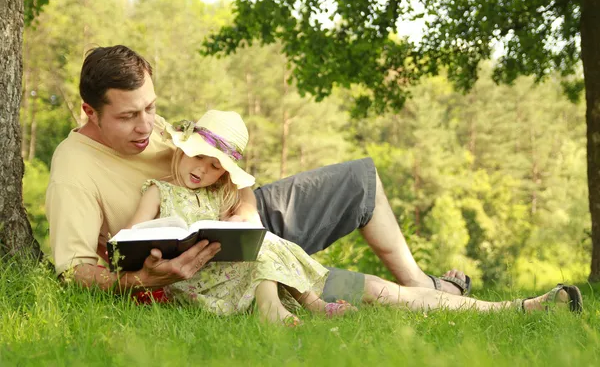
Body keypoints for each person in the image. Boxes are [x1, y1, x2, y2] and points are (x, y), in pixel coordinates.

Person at [46, 45, 577, 312]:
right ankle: (480, 302)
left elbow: (218, 163)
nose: (147, 127)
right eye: (128, 117)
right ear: (91, 112)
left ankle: (455, 296)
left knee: (359, 180)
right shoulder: (74, 170)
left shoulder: (153, 125)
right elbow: (76, 273)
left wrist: (249, 205)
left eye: (151, 110)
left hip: (241, 224)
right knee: (358, 288)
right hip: (210, 270)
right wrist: (145, 281)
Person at [126, 110, 357, 324]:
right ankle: (287, 307)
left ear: (223, 174)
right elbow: (129, 238)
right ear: (183, 149)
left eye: (215, 166)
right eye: (198, 157)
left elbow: (238, 222)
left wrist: (232, 226)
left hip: (218, 274)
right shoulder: (159, 191)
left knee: (261, 242)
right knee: (264, 245)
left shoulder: (216, 194)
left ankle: (289, 306)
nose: (203, 169)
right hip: (184, 280)